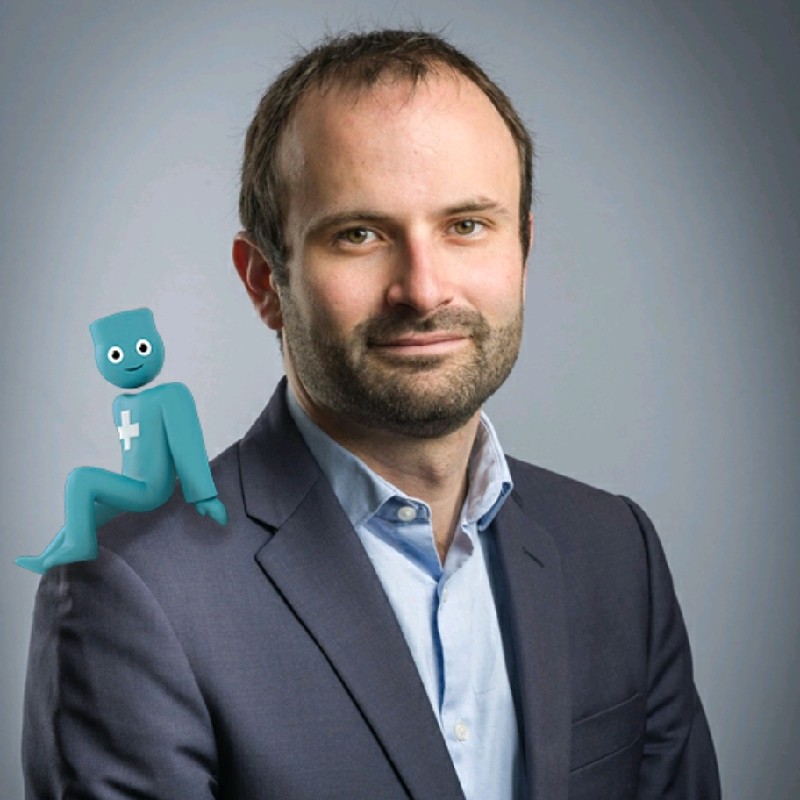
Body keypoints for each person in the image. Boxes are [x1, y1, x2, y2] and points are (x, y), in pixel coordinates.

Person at [21, 29, 720, 799]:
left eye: (466, 226)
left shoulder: (617, 553)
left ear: (522, 250)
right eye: (359, 235)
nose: (423, 289)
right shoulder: (136, 593)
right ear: (262, 281)